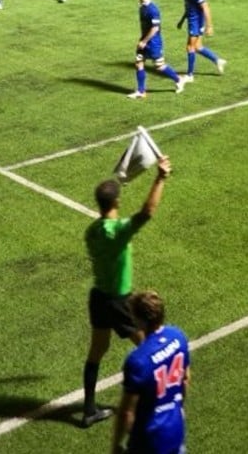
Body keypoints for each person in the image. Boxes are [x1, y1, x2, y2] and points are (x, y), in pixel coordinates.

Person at [81, 155, 173, 429]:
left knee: (98, 350)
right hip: (119, 302)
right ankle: (156, 401)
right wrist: (160, 178)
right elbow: (147, 213)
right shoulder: (117, 232)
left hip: (98, 297)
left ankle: (88, 409)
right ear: (116, 202)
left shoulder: (92, 231)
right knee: (150, 346)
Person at [112, 289, 190, 454]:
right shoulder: (178, 337)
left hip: (149, 440)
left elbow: (126, 412)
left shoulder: (138, 360)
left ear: (140, 321)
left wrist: (116, 446)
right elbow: (185, 380)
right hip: (176, 430)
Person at [131, 0, 184, 98]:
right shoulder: (142, 8)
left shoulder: (153, 10)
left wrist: (144, 41)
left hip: (154, 42)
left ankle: (179, 79)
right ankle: (141, 91)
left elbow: (155, 29)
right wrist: (142, 40)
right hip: (144, 40)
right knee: (138, 63)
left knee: (159, 66)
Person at [175, 0, 226, 80]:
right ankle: (217, 60)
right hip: (192, 22)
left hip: (196, 23)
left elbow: (206, 8)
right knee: (198, 47)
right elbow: (189, 8)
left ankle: (189, 75)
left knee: (190, 47)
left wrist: (209, 26)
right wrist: (182, 20)